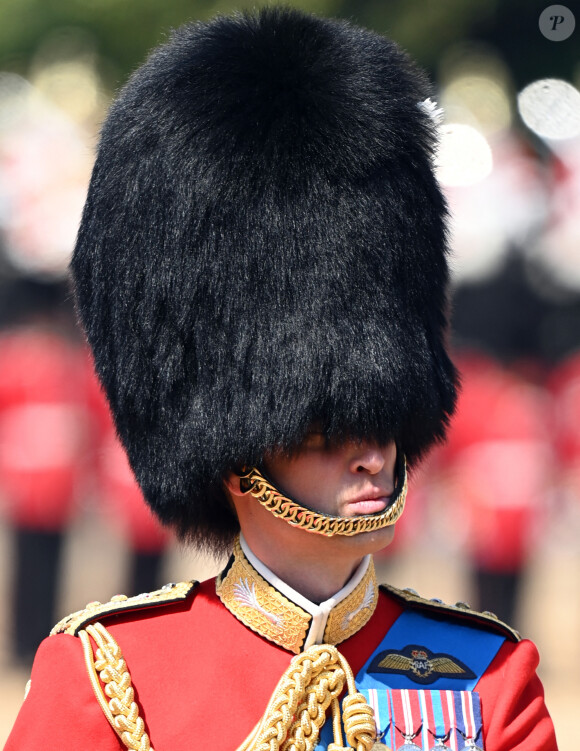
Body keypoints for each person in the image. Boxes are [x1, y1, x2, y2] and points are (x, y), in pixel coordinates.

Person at [4, 8, 557, 750]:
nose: (374, 454)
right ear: (237, 449)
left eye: (383, 420)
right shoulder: (107, 676)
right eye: (327, 430)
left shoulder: (488, 680)